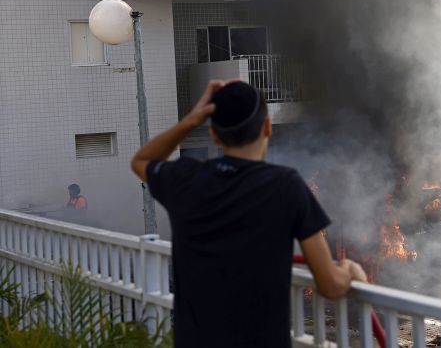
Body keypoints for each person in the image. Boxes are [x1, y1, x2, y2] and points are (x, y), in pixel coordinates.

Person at [131, 80, 367, 347]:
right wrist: (349, 268)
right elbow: (331, 285)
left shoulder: (187, 179)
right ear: (267, 127)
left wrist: (193, 119)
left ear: (215, 136)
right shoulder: (286, 186)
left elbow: (141, 161)